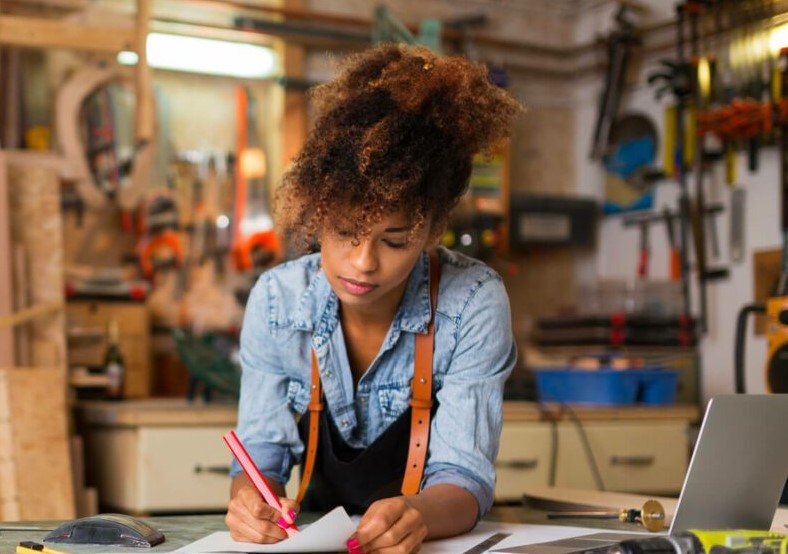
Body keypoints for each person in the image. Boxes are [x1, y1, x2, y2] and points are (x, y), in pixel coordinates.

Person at [225, 43, 522, 554]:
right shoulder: (277, 300)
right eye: (344, 232)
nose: (363, 262)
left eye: (395, 240)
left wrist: (418, 515)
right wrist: (249, 499)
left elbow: (465, 477)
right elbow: (261, 452)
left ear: (432, 228)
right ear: (317, 216)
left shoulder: (473, 302)